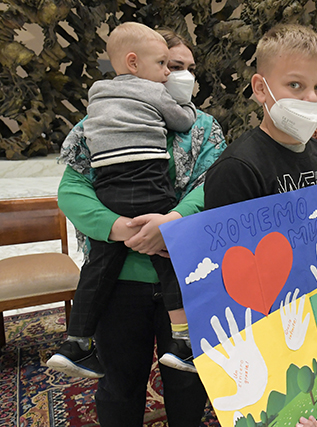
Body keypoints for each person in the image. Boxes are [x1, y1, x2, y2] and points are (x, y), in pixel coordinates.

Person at [51, 28, 227, 426]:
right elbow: (72, 191)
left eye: (186, 68)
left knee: (188, 382)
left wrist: (172, 222)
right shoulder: (97, 122)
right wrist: (118, 227)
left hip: (186, 269)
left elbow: (213, 186)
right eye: (169, 65)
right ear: (137, 64)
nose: (175, 76)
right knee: (119, 381)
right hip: (118, 278)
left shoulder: (204, 129)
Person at [204, 23, 317, 427]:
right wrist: (270, 388)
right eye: (295, 85)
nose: (311, 99)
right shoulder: (237, 169)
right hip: (270, 342)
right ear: (261, 88)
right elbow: (231, 286)